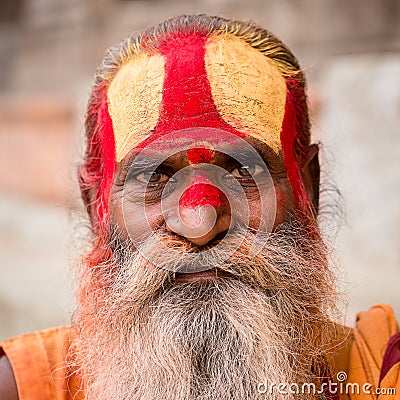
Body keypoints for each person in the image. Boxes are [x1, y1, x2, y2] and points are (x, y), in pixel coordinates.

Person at [0, 14, 399, 400]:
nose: (200, 222)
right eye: (152, 177)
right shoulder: (20, 388)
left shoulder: (382, 374)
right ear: (96, 208)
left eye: (243, 170)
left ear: (307, 188)